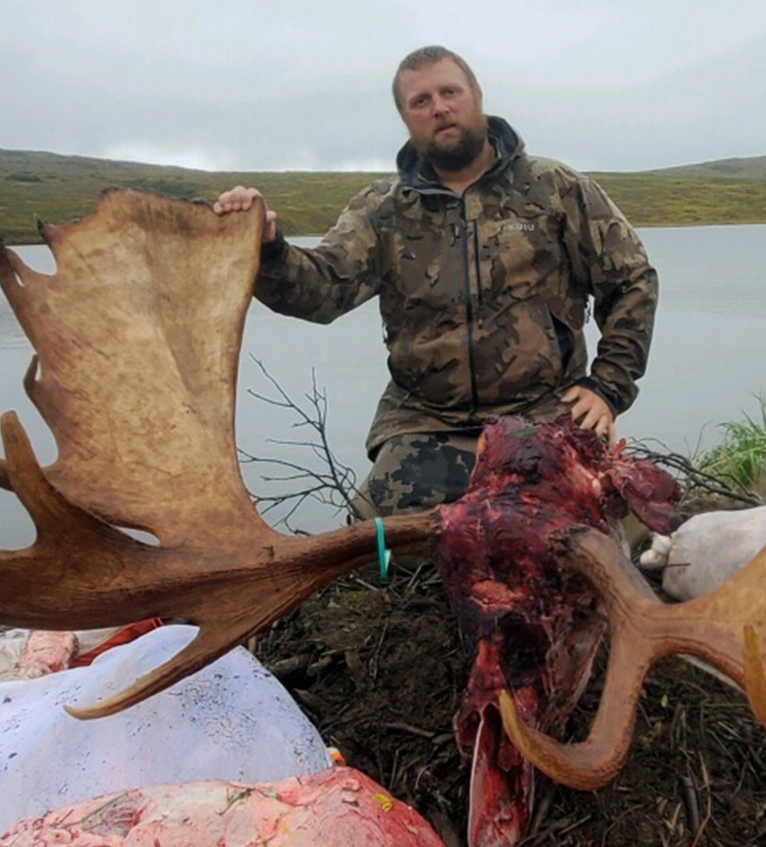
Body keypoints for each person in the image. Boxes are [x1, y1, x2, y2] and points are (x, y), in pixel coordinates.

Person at [214, 45, 657, 517]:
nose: (439, 108)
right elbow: (322, 290)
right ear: (405, 118)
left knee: (595, 523)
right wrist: (267, 248)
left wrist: (608, 386)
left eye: (450, 92)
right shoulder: (382, 209)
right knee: (378, 543)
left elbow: (631, 280)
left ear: (477, 96)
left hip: (544, 412)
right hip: (427, 423)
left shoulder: (556, 188)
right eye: (419, 101)